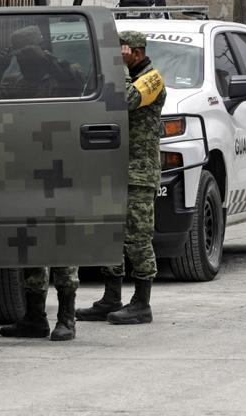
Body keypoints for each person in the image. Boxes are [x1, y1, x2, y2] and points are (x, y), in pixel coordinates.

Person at [0, 25, 83, 342]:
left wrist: (45, 58)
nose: (27, 59)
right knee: (30, 247)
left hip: (60, 172)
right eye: (22, 54)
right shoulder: (15, 83)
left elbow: (75, 79)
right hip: (27, 173)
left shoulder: (63, 75)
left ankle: (67, 318)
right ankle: (34, 317)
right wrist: (0, 65)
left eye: (29, 52)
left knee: (61, 245)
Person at [77, 29, 166, 325]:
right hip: (113, 169)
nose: (115, 56)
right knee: (109, 235)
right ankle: (111, 298)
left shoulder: (152, 79)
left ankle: (142, 302)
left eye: (120, 50)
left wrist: (117, 68)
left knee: (137, 238)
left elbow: (126, 100)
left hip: (139, 172)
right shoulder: (124, 75)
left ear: (135, 53)